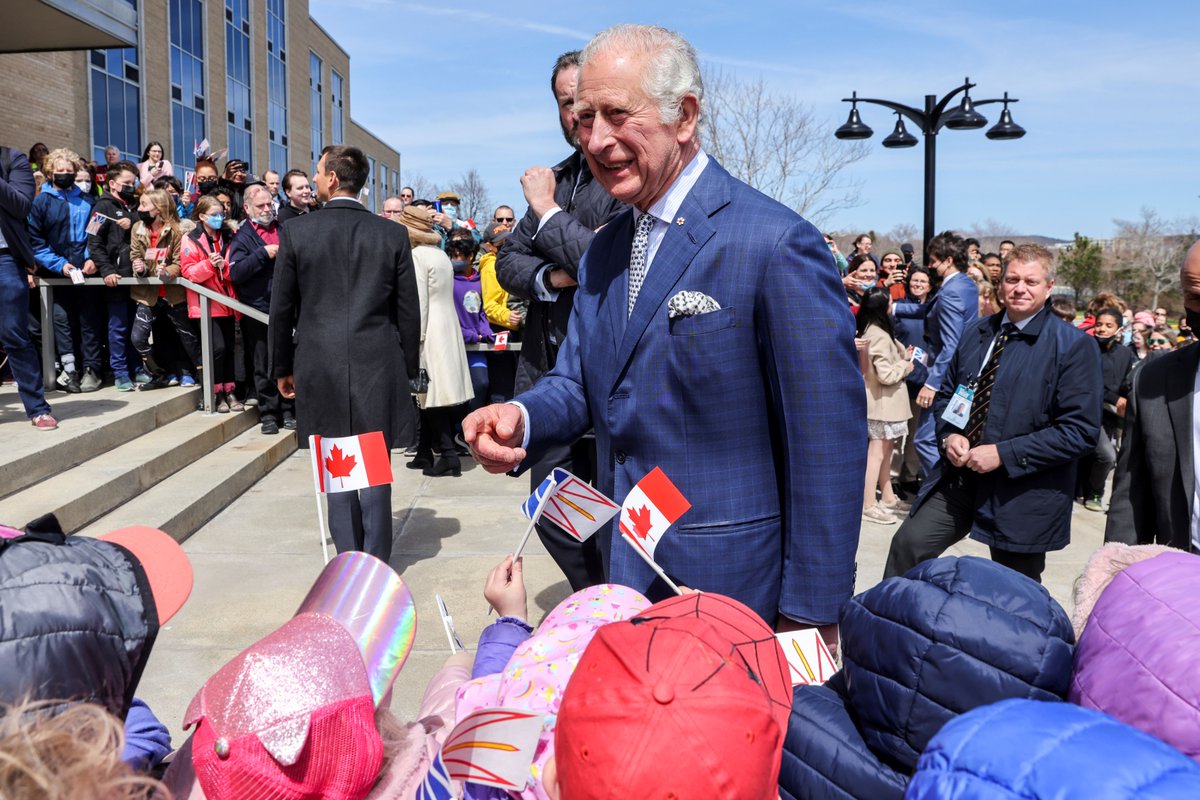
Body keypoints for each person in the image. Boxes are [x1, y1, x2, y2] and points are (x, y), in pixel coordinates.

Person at [465, 24, 865, 636]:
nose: (596, 140)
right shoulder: (604, 251)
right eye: (583, 118)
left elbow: (827, 444)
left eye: (617, 115)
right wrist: (520, 416)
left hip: (733, 593)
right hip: (624, 573)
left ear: (684, 116)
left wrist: (810, 614)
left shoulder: (775, 243)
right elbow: (578, 379)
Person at [883, 244, 1102, 582]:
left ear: (1049, 286)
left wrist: (1003, 454)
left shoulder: (1072, 346)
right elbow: (948, 395)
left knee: (1013, 588)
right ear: (1000, 283)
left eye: (1031, 281)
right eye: (1012, 279)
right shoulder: (977, 333)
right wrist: (949, 435)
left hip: (1021, 488)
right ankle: (887, 627)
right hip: (960, 476)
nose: (1019, 288)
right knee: (908, 546)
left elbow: (1079, 431)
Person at [495, 48, 626, 592]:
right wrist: (554, 276)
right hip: (546, 374)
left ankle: (612, 603)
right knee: (549, 502)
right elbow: (508, 260)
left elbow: (609, 258)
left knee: (613, 512)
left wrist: (548, 213)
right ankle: (591, 593)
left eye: (583, 101)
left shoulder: (624, 177)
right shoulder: (560, 176)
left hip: (607, 375)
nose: (576, 114)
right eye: (565, 103)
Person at [270, 144, 421, 564]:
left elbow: (281, 307)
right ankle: (376, 564)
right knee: (374, 461)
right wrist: (408, 366)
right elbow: (408, 310)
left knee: (338, 464)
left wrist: (281, 366)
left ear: (333, 178)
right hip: (379, 360)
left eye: (318, 172)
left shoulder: (298, 231)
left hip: (319, 362)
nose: (315, 179)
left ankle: (348, 562)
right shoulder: (390, 233)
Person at [1105, 241, 1200, 551]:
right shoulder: (1155, 379)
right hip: (1182, 576)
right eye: (1194, 297)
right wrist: (1114, 572)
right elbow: (1132, 493)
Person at [893, 231, 980, 476]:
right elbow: (927, 309)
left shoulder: (952, 291)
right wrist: (892, 306)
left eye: (933, 260)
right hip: (959, 373)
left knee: (925, 439)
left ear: (948, 259)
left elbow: (951, 343)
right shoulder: (964, 284)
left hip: (945, 376)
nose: (930, 266)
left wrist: (932, 384)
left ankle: (941, 496)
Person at [397, 203, 473, 478]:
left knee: (431, 395)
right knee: (428, 395)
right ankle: (424, 453)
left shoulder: (417, 256)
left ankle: (448, 456)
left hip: (430, 330)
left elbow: (419, 302)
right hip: (447, 325)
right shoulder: (439, 254)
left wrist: (415, 339)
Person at [28, 147, 103, 393]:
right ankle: (69, 370)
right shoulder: (41, 202)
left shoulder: (87, 201)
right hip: (56, 274)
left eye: (69, 170)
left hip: (86, 273)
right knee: (61, 321)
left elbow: (95, 233)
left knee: (88, 321)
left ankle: (92, 369)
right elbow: (36, 242)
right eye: (59, 171)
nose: (64, 174)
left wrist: (92, 258)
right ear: (49, 172)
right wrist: (60, 265)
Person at [0, 143, 55, 428]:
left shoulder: (12, 159)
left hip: (4, 260)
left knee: (14, 335)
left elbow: (21, 205)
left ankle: (37, 408)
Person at [229, 183, 292, 431]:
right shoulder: (242, 237)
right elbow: (236, 272)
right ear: (247, 208)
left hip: (287, 309)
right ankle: (268, 413)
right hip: (258, 310)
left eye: (270, 204)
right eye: (261, 206)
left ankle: (289, 410)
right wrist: (262, 254)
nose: (267, 209)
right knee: (263, 363)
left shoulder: (285, 230)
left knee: (288, 360)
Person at [128, 188, 203, 387]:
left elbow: (180, 262)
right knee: (138, 338)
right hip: (149, 294)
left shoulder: (178, 230)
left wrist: (167, 271)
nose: (140, 208)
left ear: (159, 208)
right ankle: (158, 372)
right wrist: (140, 268)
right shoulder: (138, 228)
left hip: (174, 293)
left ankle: (199, 374)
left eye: (144, 205)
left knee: (187, 338)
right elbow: (135, 254)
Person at [87, 159, 147, 392]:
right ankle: (121, 372)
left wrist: (132, 219)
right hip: (116, 280)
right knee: (118, 327)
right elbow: (93, 241)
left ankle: (138, 368)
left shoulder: (136, 207)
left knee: (137, 328)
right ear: (112, 184)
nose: (132, 186)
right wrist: (107, 270)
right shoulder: (101, 207)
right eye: (127, 182)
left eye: (134, 182)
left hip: (138, 278)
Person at [858, 286, 914, 524]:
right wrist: (906, 366)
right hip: (882, 403)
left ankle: (888, 497)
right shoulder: (878, 334)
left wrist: (902, 356)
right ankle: (868, 503)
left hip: (887, 403)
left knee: (886, 450)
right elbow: (885, 375)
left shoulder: (877, 329)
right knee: (877, 453)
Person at [180, 195, 240, 411]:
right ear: (202, 216)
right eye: (214, 214)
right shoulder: (190, 238)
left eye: (221, 214)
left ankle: (230, 390)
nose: (219, 218)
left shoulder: (229, 236)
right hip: (205, 304)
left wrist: (225, 266)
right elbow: (188, 272)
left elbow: (236, 265)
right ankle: (215, 393)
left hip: (227, 301)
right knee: (217, 349)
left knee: (230, 349)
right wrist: (209, 265)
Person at [1080, 306, 1133, 512]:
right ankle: (1095, 493)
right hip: (1086, 411)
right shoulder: (1086, 347)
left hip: (1110, 416)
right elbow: (1088, 382)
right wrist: (1115, 398)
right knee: (1107, 455)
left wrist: (1128, 399)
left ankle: (1088, 492)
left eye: (1108, 325)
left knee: (1100, 456)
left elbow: (1127, 382)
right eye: (1099, 324)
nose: (1102, 329)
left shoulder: (1125, 353)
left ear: (1119, 329)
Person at [450, 236, 493, 413]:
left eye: (458, 256)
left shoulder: (480, 280)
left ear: (471, 257)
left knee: (482, 383)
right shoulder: (448, 281)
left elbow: (482, 311)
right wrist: (471, 335)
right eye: (452, 255)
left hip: (477, 347)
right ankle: (459, 431)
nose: (454, 260)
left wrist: (486, 333)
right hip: (456, 345)